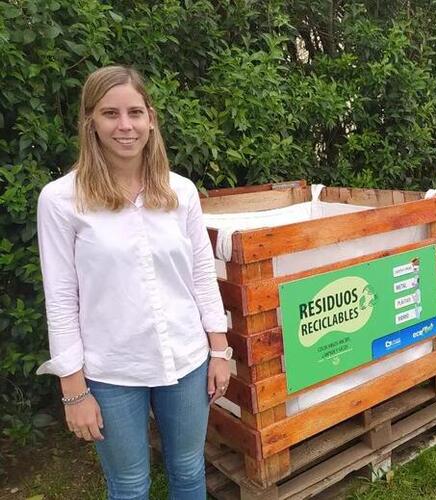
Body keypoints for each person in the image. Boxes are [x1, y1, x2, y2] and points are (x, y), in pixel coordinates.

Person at [35, 65, 232, 499]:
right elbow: (61, 297)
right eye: (110, 114)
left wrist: (219, 350)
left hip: (186, 361)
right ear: (90, 122)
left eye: (135, 112)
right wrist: (73, 390)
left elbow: (202, 273)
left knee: (187, 471)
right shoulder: (61, 200)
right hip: (112, 371)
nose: (125, 126)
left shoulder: (181, 192)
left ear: (151, 118)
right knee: (128, 485)